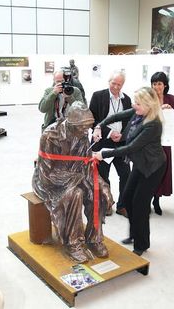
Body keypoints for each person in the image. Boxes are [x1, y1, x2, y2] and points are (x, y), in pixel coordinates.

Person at [32, 102, 113, 263]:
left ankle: (94, 238)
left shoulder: (82, 136)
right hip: (50, 181)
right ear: (70, 123)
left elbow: (87, 165)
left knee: (97, 191)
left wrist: (102, 185)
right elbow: (47, 173)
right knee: (75, 194)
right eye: (81, 127)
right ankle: (73, 243)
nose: (85, 131)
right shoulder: (50, 135)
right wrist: (78, 179)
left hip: (76, 175)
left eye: (87, 127)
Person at [92, 87, 166, 256]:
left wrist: (103, 154)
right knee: (126, 200)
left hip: (152, 168)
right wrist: (99, 126)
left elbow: (131, 147)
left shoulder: (153, 124)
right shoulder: (138, 112)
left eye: (138, 103)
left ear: (149, 105)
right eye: (134, 102)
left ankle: (141, 244)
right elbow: (114, 117)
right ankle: (135, 234)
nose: (134, 105)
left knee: (139, 204)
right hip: (140, 164)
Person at [89, 70, 132, 217]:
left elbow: (129, 122)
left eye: (119, 84)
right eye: (113, 83)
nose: (115, 87)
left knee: (126, 174)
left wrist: (122, 136)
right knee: (102, 176)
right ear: (109, 82)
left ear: (123, 85)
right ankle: (106, 203)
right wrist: (109, 133)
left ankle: (123, 205)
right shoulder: (98, 96)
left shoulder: (126, 100)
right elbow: (91, 120)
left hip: (120, 143)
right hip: (102, 142)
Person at [150, 71, 174, 215]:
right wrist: (159, 111)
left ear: (165, 85)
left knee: (163, 170)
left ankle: (157, 199)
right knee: (150, 170)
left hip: (166, 140)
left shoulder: (171, 98)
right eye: (154, 84)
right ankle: (147, 197)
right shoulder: (148, 98)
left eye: (159, 84)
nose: (157, 87)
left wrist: (171, 111)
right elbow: (143, 118)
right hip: (150, 141)